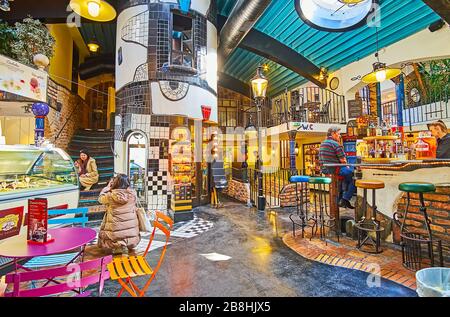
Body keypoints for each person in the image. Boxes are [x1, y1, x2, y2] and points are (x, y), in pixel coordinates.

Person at [97, 174, 141, 255]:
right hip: (132, 232)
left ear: (115, 183)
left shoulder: (110, 195)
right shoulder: (133, 194)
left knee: (109, 230)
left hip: (114, 232)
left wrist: (106, 188)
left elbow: (100, 199)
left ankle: (117, 245)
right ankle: (123, 244)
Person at [319, 127, 356, 209]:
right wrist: (348, 166)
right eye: (338, 134)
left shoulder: (322, 143)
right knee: (355, 176)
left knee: (347, 177)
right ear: (333, 133)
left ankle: (341, 200)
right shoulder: (336, 144)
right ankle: (345, 199)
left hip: (326, 170)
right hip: (335, 169)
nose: (339, 136)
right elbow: (343, 160)